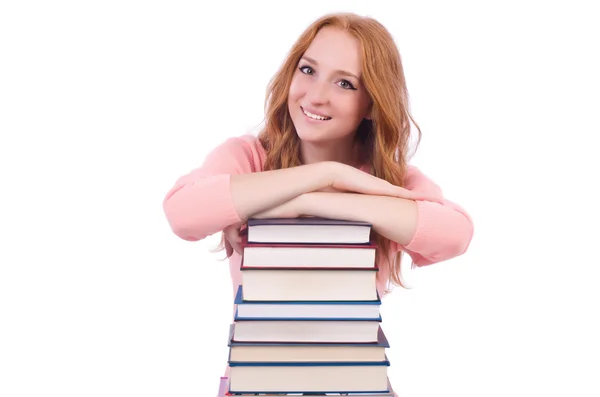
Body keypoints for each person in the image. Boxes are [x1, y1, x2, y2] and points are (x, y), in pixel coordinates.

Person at [162, 12, 474, 396]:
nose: (315, 95)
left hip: (356, 384)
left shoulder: (387, 178)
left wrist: (316, 199)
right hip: (256, 383)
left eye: (345, 83)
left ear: (372, 104)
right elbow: (182, 213)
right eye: (308, 70)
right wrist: (324, 174)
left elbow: (454, 235)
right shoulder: (248, 159)